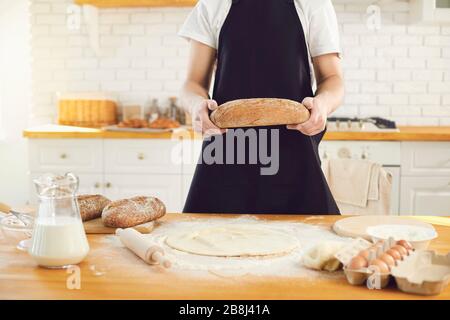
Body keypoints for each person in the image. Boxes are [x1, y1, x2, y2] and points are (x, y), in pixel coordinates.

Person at [179, 0, 344, 215]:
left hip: (294, 154)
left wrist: (323, 104)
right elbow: (193, 83)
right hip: (226, 154)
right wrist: (196, 106)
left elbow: (333, 78)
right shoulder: (213, 4)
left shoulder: (313, 4)